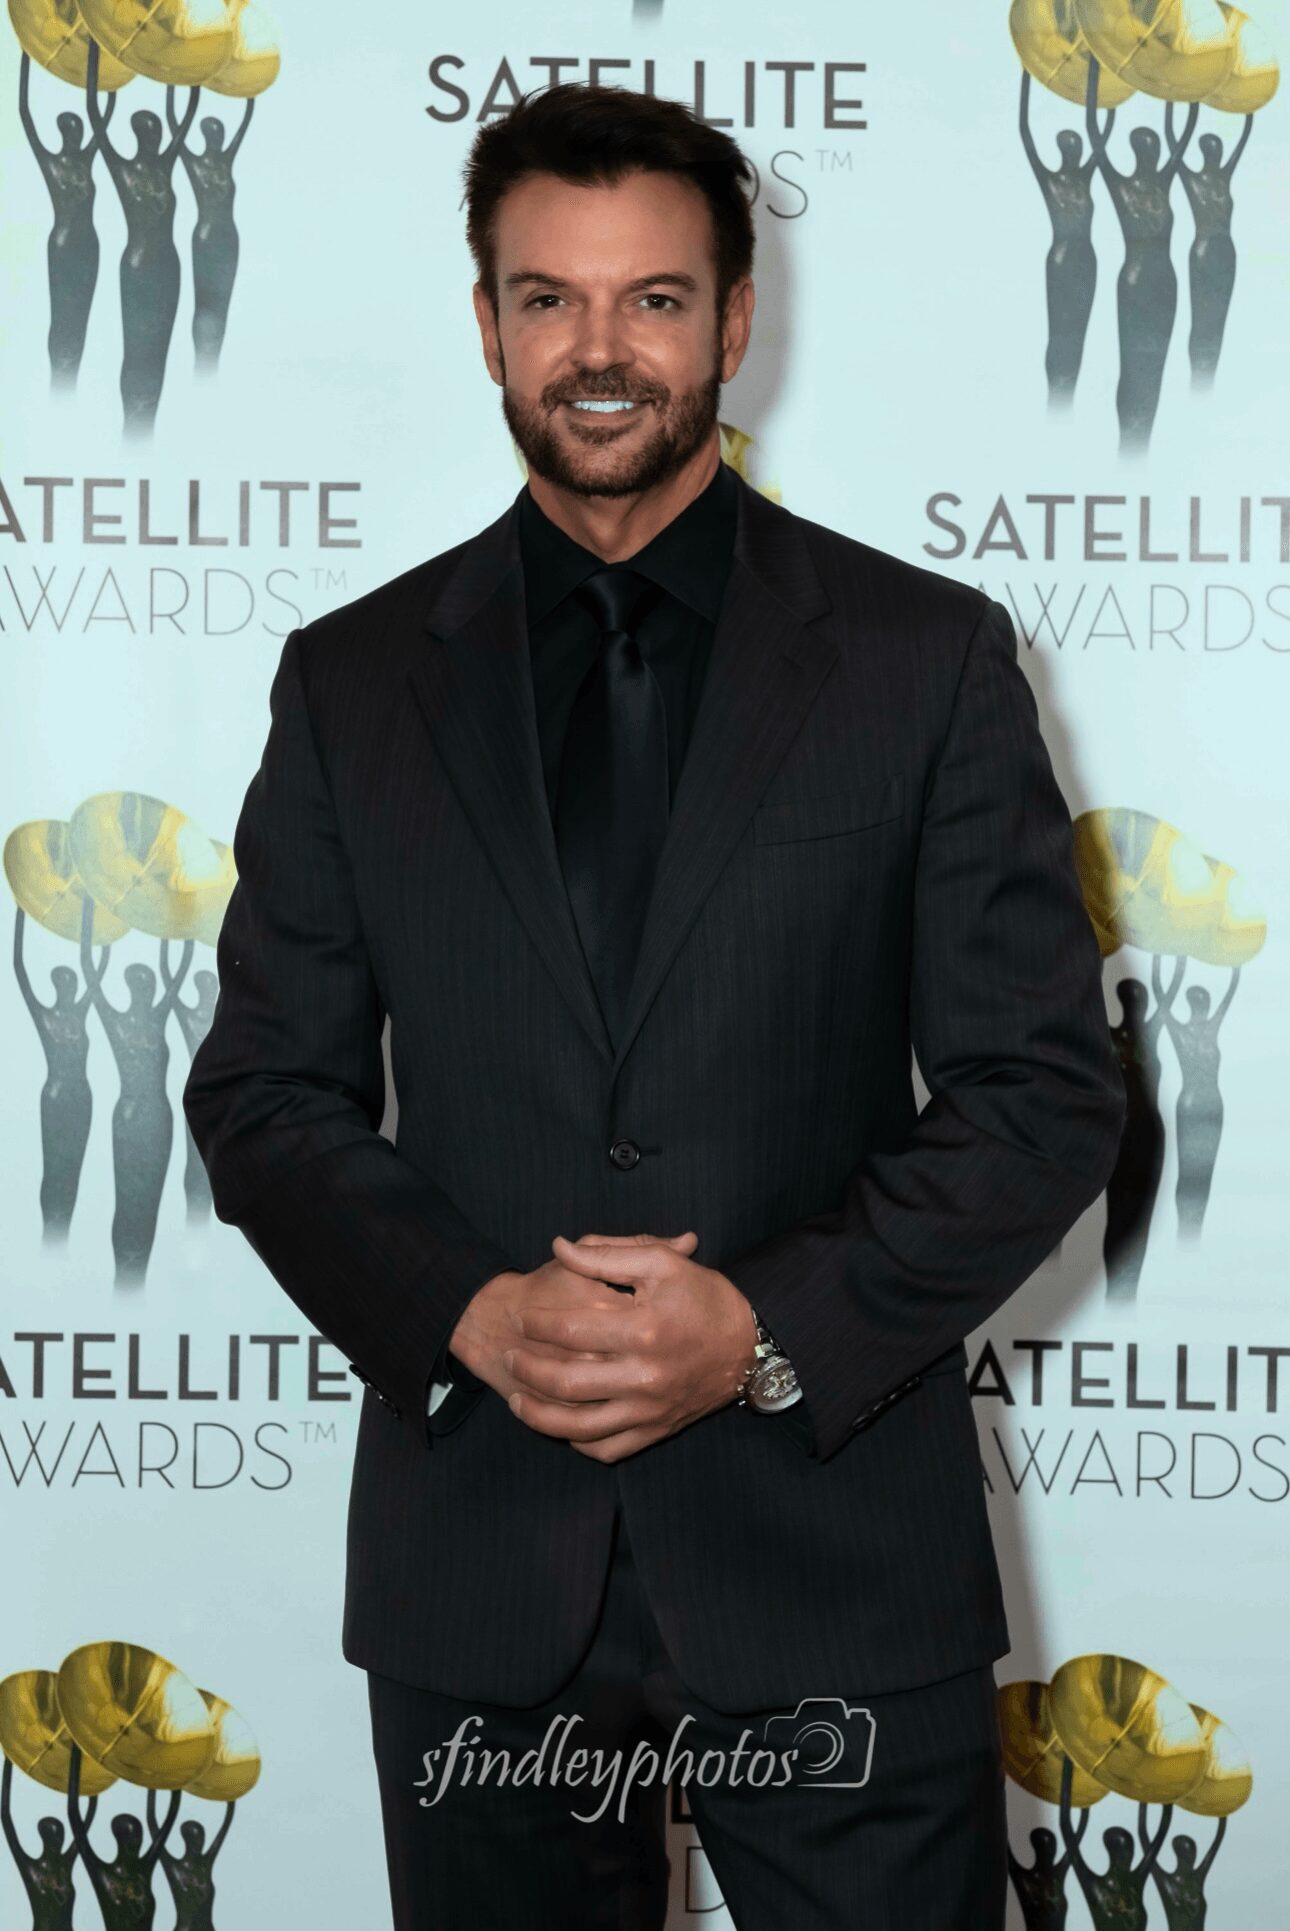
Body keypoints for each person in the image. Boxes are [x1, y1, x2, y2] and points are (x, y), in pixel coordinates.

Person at [183, 82, 1126, 1930]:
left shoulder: (922, 660)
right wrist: (470, 1311)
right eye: (549, 298)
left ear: (734, 322)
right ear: (486, 324)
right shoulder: (351, 684)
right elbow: (266, 1093)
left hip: (836, 1549)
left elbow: (1039, 1094)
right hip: (482, 1566)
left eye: (655, 300)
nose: (599, 351)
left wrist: (760, 1330)